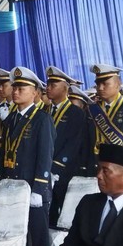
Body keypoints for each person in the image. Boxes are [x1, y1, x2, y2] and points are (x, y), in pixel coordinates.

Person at [0, 66, 56, 246]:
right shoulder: (12, 118)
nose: (16, 91)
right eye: (15, 87)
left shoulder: (42, 119)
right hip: (13, 187)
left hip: (33, 189)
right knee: (13, 238)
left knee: (38, 240)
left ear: (35, 93)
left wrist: (39, 188)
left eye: (22, 88)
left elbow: (45, 155)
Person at [45, 66, 86, 226]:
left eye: (53, 85)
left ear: (65, 88)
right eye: (48, 84)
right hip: (44, 170)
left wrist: (55, 167)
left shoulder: (75, 113)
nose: (48, 88)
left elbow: (73, 144)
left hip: (64, 171)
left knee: (63, 213)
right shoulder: (44, 110)